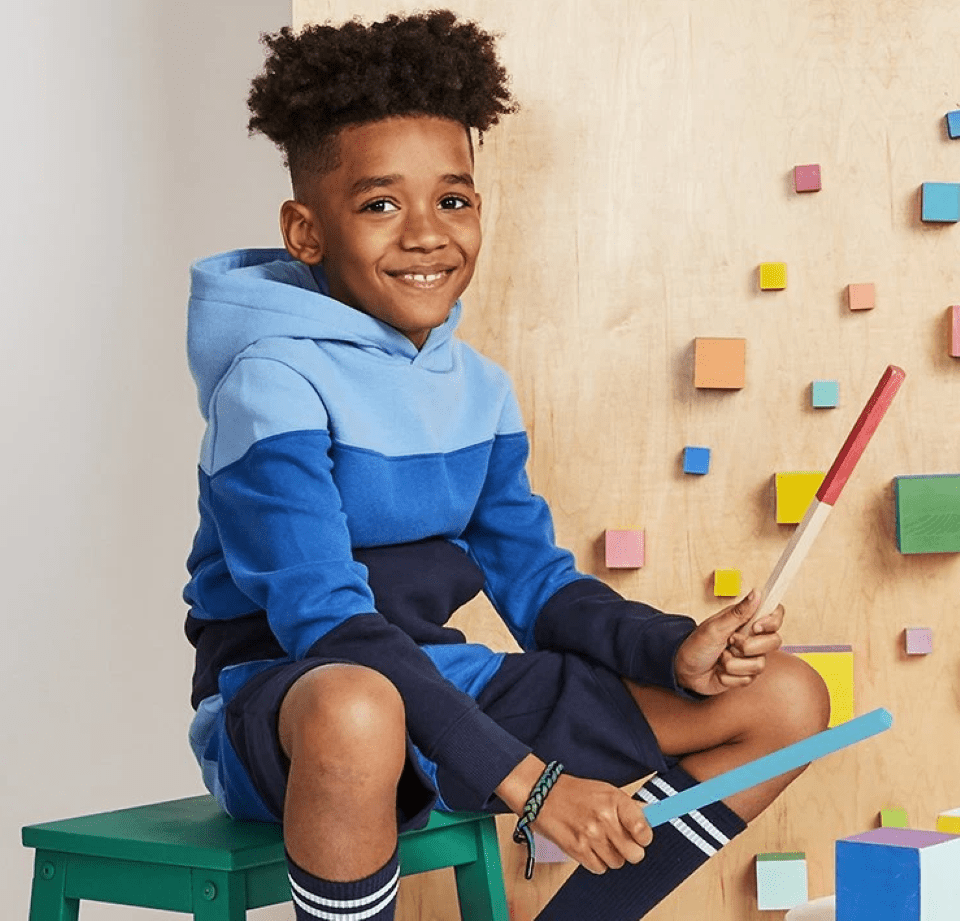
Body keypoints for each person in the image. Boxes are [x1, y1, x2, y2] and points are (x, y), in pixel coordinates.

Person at [183, 10, 830, 921]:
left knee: (788, 697)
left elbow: (538, 586)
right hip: (292, 703)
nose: (425, 234)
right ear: (304, 231)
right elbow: (326, 625)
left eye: (453, 199)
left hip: (437, 686)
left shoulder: (477, 386)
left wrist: (672, 651)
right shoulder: (268, 383)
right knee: (360, 708)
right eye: (379, 204)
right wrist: (532, 786)